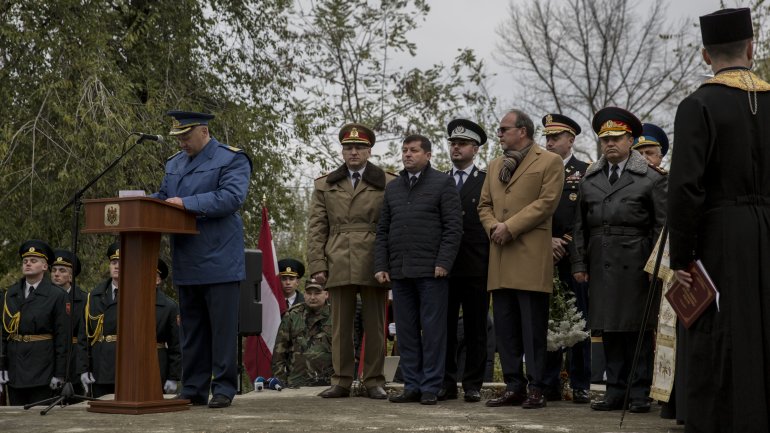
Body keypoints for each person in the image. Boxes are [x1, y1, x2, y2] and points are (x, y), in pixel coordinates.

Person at [668, 8, 770, 432]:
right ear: (751, 47)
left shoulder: (697, 105)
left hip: (719, 235)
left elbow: (685, 188)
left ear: (706, 56)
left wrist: (681, 256)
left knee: (721, 328)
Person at [570, 107, 667, 413]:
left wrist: (656, 264)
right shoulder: (590, 179)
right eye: (604, 139)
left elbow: (661, 226)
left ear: (630, 140)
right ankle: (615, 390)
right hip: (601, 259)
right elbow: (579, 227)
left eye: (617, 138)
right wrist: (579, 264)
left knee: (636, 328)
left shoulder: (650, 179)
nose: (610, 143)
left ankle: (638, 392)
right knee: (609, 328)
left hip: (637, 260)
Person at [153, 110, 252, 408]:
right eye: (178, 138)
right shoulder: (174, 163)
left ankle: (223, 387)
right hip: (187, 258)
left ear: (204, 131)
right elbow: (163, 196)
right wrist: (139, 202)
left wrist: (186, 203)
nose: (182, 142)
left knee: (222, 330)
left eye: (186, 136)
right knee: (192, 329)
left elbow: (232, 197)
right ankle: (193, 387)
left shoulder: (232, 158)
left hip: (219, 258)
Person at [478, 109, 564, 409]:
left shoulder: (550, 161)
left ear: (522, 131)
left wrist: (509, 227)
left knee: (532, 328)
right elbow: (484, 205)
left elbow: (547, 203)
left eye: (504, 129)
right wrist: (493, 226)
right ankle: (513, 385)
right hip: (500, 257)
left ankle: (537, 387)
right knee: (506, 329)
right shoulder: (494, 166)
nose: (499, 134)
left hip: (528, 255)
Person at [308, 123, 396, 400]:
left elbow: (393, 225)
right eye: (348, 147)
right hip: (338, 256)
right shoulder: (326, 184)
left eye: (359, 147)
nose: (353, 152)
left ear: (369, 150)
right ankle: (342, 380)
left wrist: (390, 263)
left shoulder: (388, 181)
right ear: (343, 151)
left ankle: (374, 380)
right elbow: (316, 227)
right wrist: (317, 265)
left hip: (374, 258)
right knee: (340, 327)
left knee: (376, 326)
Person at [374, 134, 462, 405]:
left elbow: (453, 228)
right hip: (400, 272)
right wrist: (381, 265)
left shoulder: (443, 183)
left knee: (434, 332)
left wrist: (443, 262)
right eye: (404, 150)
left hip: (432, 273)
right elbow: (383, 230)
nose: (407, 154)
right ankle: (411, 385)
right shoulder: (394, 187)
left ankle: (431, 387)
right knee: (406, 331)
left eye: (413, 150)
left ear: (428, 155)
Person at [539, 113, 592, 404]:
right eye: (547, 137)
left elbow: (585, 217)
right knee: (547, 319)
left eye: (555, 137)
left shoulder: (586, 172)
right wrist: (547, 241)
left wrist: (564, 242)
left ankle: (581, 381)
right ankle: (548, 382)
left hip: (574, 258)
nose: (549, 142)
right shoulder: (536, 171)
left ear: (571, 140)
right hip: (542, 255)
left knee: (578, 320)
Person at [440, 119, 490, 403]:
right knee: (443, 328)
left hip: (477, 266)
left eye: (462, 144)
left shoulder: (485, 181)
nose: (456, 148)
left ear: (475, 149)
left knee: (476, 328)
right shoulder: (438, 180)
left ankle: (472, 383)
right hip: (444, 268)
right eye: (453, 144)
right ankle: (446, 382)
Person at [0, 240, 68, 405]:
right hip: (16, 366)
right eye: (25, 261)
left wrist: (59, 374)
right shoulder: (10, 294)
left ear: (45, 267)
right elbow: (3, 333)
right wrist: (1, 366)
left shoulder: (56, 295)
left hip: (42, 367)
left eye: (33, 260)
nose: (28, 264)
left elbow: (62, 338)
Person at [271, 279, 332, 387]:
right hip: (296, 384)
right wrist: (281, 380)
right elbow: (279, 353)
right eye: (309, 293)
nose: (312, 297)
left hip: (329, 384)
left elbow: (345, 351)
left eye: (317, 293)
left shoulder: (336, 315)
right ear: (304, 294)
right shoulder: (292, 315)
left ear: (326, 294)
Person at [80, 242, 121, 398]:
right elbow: (84, 336)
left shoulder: (137, 294)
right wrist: (84, 369)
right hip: (100, 365)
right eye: (113, 262)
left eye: (121, 262)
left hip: (126, 365)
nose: (116, 266)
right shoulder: (94, 296)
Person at [50, 249, 88, 395]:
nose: (56, 274)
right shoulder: (44, 298)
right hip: (51, 356)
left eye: (62, 270)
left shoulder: (84, 299)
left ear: (71, 276)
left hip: (74, 358)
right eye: (53, 270)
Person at [155, 259, 181, 395]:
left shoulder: (169, 306)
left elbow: (175, 345)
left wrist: (173, 377)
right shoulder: (130, 302)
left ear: (158, 280)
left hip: (159, 364)